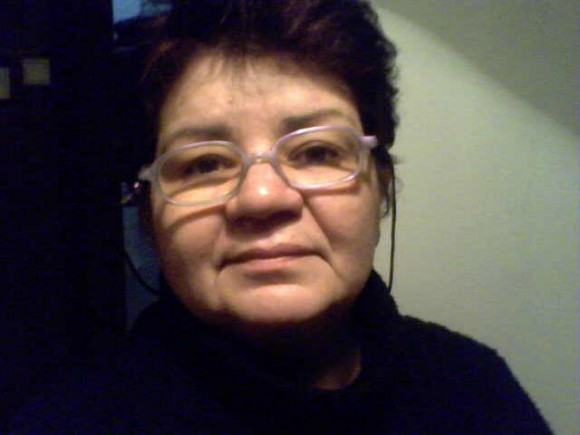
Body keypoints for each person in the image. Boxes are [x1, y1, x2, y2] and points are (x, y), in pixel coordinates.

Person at [10, 0, 552, 433]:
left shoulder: (476, 391)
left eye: (316, 152)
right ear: (148, 214)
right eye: (204, 164)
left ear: (381, 189)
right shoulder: (66, 422)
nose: (262, 198)